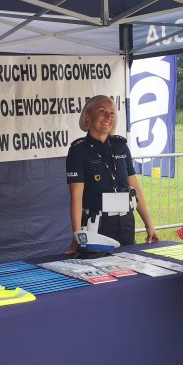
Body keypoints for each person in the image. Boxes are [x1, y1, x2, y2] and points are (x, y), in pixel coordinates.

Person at [65, 95, 159, 250]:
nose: (108, 117)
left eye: (112, 112)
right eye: (102, 111)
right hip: (97, 225)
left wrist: (150, 225)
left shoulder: (120, 146)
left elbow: (135, 187)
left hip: (126, 223)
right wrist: (77, 236)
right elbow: (76, 197)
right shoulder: (78, 150)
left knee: (128, 270)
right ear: (88, 117)